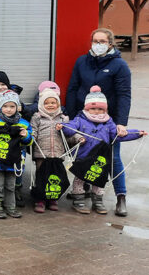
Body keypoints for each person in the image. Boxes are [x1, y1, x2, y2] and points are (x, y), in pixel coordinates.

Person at [66, 28, 133, 216]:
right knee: (85, 155)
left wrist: (121, 122)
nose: (98, 44)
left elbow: (124, 94)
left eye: (102, 41)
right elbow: (73, 88)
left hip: (108, 121)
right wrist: (72, 116)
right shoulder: (82, 61)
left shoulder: (119, 65)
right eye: (95, 41)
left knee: (113, 159)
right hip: (84, 119)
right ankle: (83, 190)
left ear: (110, 44)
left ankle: (121, 197)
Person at [58, 86, 146, 215]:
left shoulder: (108, 122)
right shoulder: (80, 119)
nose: (96, 112)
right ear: (86, 108)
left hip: (100, 158)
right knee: (79, 179)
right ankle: (78, 200)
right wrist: (63, 126)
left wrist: (137, 133)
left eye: (100, 109)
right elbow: (70, 127)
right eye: (93, 108)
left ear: (105, 109)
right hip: (83, 157)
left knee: (99, 180)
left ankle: (98, 201)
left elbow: (118, 135)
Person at [0, 90, 32, 219]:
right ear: (0, 106)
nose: (8, 109)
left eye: (12, 106)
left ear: (17, 107)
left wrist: (26, 135)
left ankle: (10, 206)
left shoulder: (24, 123)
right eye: (5, 106)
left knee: (10, 185)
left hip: (13, 161)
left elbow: (29, 141)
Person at [29, 88, 81, 213]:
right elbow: (33, 130)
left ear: (58, 104)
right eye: (46, 103)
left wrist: (78, 138)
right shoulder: (37, 117)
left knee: (55, 176)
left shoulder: (63, 119)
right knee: (41, 176)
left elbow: (69, 134)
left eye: (53, 102)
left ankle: (52, 199)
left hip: (58, 153)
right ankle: (40, 200)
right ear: (41, 104)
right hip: (41, 153)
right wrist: (31, 137)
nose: (50, 105)